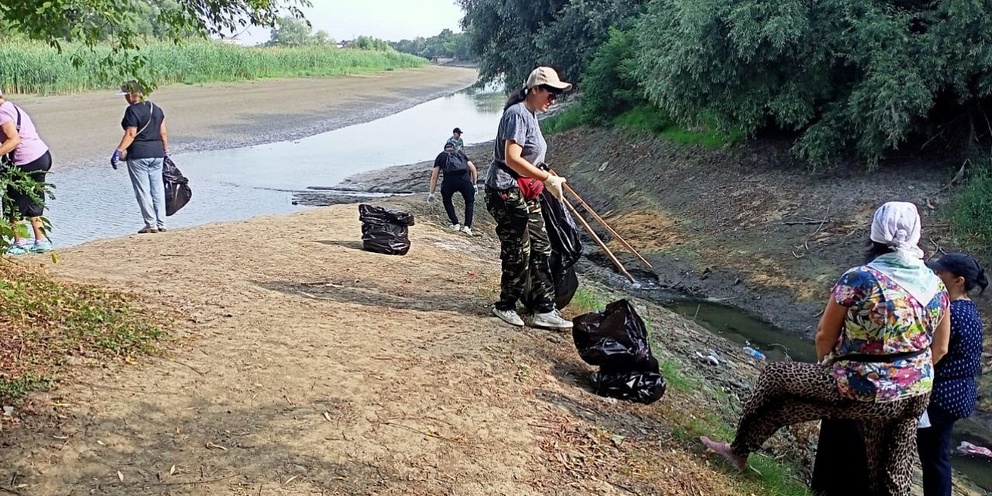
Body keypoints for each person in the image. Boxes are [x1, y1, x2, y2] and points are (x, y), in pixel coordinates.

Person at [701, 201, 950, 496]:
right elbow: (942, 348)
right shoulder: (935, 284)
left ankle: (738, 450)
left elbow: (823, 336)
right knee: (894, 470)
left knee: (776, 378)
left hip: (863, 384)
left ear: (875, 233)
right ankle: (738, 451)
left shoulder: (860, 278)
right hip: (917, 392)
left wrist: (832, 371)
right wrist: (906, 378)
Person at [484, 66, 573, 330]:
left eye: (557, 95)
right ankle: (506, 304)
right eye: (551, 93)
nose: (553, 99)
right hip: (505, 189)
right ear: (535, 89)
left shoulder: (531, 115)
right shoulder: (517, 114)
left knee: (541, 245)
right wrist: (546, 180)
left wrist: (544, 173)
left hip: (526, 189)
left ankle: (544, 309)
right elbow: (511, 157)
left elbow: (529, 157)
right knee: (518, 249)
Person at [918, 253, 986, 496]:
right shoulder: (968, 310)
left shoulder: (953, 312)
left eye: (940, 273)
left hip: (943, 396)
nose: (935, 275)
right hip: (957, 396)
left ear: (958, 280)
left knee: (934, 458)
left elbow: (937, 350)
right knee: (936, 455)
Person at [0, 86, 53, 254]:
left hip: (27, 160)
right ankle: (41, 241)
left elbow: (14, 140)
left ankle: (20, 243)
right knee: (34, 199)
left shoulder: (1, 114)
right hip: (42, 156)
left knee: (11, 202)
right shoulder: (10, 107)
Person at [112, 80, 169, 234]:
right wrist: (165, 151)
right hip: (157, 153)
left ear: (132, 94)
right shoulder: (156, 109)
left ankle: (151, 224)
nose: (125, 98)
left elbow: (130, 134)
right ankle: (161, 222)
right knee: (157, 189)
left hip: (139, 154)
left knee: (143, 190)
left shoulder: (132, 111)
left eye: (126, 95)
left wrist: (118, 151)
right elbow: (163, 133)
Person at [428, 142, 478, 235]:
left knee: (447, 201)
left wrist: (432, 193)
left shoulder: (441, 156)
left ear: (445, 149)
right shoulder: (460, 153)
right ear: (453, 148)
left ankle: (455, 224)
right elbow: (473, 169)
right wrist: (474, 184)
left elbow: (434, 176)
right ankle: (467, 227)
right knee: (469, 202)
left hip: (449, 182)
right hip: (464, 180)